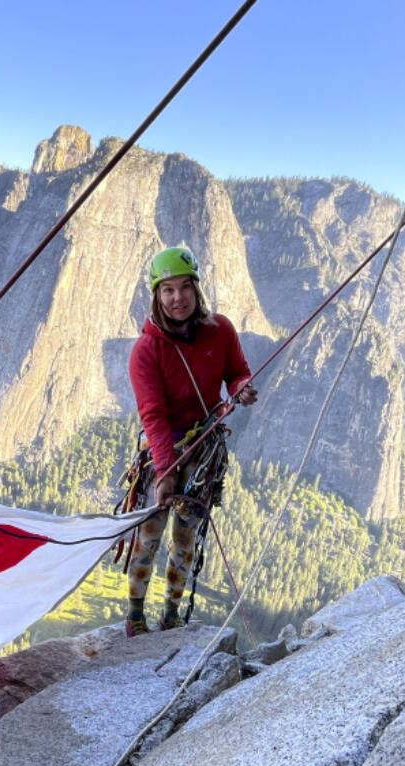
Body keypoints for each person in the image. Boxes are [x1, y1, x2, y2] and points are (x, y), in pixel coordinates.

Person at [125, 246, 257, 637]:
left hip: (203, 453)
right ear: (157, 295)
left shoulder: (221, 331)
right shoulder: (146, 351)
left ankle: (171, 617)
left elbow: (236, 372)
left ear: (197, 290)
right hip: (163, 449)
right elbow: (154, 416)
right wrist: (164, 472)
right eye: (168, 290)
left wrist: (242, 387)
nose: (177, 297)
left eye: (185, 287)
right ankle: (135, 618)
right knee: (148, 536)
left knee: (185, 541)